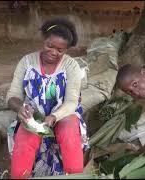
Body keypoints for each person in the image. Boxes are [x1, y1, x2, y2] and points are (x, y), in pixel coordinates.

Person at [6, 18, 88, 178]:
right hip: (34, 116)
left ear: (66, 50)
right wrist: (20, 108)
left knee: (69, 132)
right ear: (43, 39)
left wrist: (54, 116)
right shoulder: (27, 62)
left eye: (60, 50)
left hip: (64, 114)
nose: (53, 52)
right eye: (49, 46)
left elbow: (71, 102)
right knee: (25, 139)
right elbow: (12, 95)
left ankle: (75, 175)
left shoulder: (71, 66)